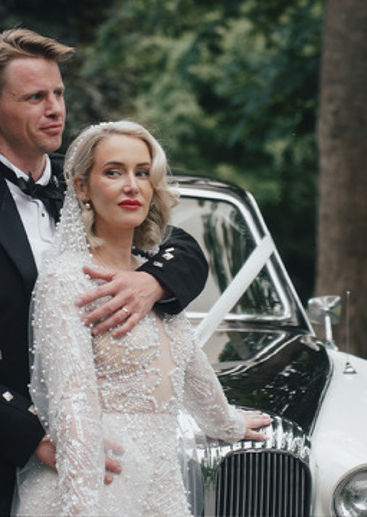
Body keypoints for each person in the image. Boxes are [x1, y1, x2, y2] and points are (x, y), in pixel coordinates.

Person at [0, 29, 210, 515]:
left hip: (96, 446)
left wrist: (153, 281)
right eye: (35, 97)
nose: (55, 108)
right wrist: (33, 435)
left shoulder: (86, 182)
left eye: (58, 93)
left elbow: (181, 246)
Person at [14, 120, 272, 516]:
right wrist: (83, 508)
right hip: (98, 485)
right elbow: (73, 404)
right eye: (113, 172)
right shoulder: (65, 279)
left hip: (161, 484)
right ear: (82, 187)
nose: (132, 186)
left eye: (142, 173)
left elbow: (188, 370)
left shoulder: (152, 277)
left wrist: (228, 424)